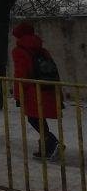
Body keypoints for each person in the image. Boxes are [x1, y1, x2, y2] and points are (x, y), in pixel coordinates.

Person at [11, 22, 61, 160]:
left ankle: (52, 143)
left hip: (32, 90)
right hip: (47, 88)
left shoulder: (19, 51)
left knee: (34, 119)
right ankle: (46, 148)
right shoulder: (42, 49)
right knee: (39, 118)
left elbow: (20, 74)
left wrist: (18, 95)